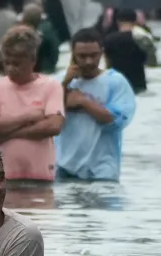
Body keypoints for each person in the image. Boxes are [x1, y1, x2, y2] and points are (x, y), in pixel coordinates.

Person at [0, 24, 64, 183]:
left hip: (40, 177)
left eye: (17, 64)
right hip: (4, 178)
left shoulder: (51, 86)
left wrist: (6, 135)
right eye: (7, 63)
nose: (11, 69)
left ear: (33, 60)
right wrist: (28, 117)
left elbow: (54, 126)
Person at [56, 28, 137, 181]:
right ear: (72, 54)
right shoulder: (59, 81)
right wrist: (65, 83)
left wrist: (84, 102)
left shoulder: (115, 81)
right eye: (82, 56)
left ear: (102, 53)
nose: (89, 61)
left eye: (94, 55)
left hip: (103, 170)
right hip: (64, 166)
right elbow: (47, 117)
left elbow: (116, 121)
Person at [98, 11, 150, 92]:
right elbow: (149, 60)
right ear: (135, 21)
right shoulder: (142, 39)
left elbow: (107, 63)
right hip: (138, 84)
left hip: (116, 84)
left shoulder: (109, 39)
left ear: (118, 21)